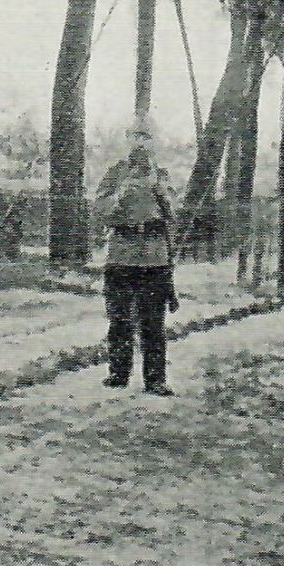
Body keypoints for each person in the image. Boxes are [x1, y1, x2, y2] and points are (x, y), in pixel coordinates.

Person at [94, 122, 178, 397]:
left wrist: (159, 190)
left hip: (154, 257)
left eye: (146, 138)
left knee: (153, 321)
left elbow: (173, 212)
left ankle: (155, 379)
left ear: (154, 143)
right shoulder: (115, 174)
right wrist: (119, 195)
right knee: (119, 319)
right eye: (135, 138)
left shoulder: (161, 174)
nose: (140, 144)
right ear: (127, 141)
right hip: (121, 254)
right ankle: (118, 373)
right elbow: (99, 211)